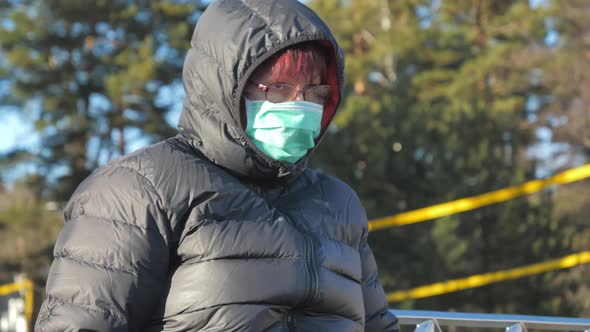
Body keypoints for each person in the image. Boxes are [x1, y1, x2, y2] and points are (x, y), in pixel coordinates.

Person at [35, 0, 400, 331]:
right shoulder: (138, 189)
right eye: (278, 89)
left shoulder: (338, 203)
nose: (300, 106)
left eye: (315, 92)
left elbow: (377, 325)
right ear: (226, 85)